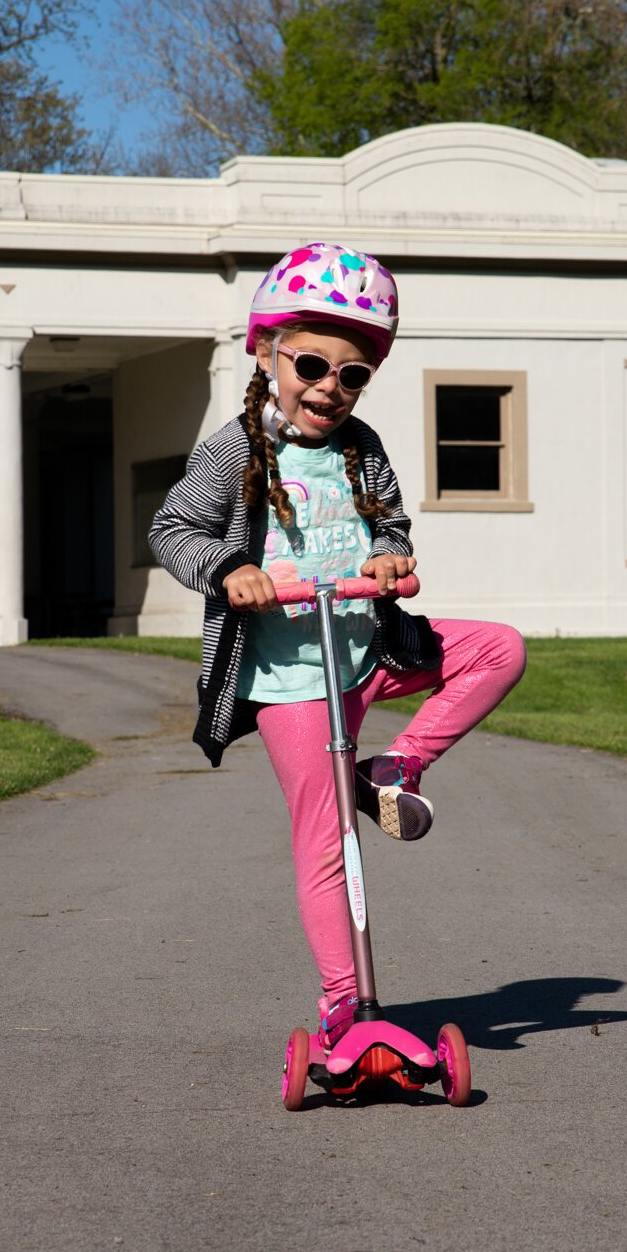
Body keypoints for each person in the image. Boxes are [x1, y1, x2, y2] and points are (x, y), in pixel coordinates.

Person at [148, 242, 527, 1046]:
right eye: (313, 365)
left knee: (497, 649)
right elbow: (173, 528)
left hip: (367, 649)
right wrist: (231, 568)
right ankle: (345, 1005)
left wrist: (390, 556)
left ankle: (395, 766)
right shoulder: (233, 449)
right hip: (291, 679)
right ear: (267, 352)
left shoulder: (363, 445)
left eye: (352, 374)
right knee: (328, 843)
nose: (330, 387)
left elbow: (390, 520)